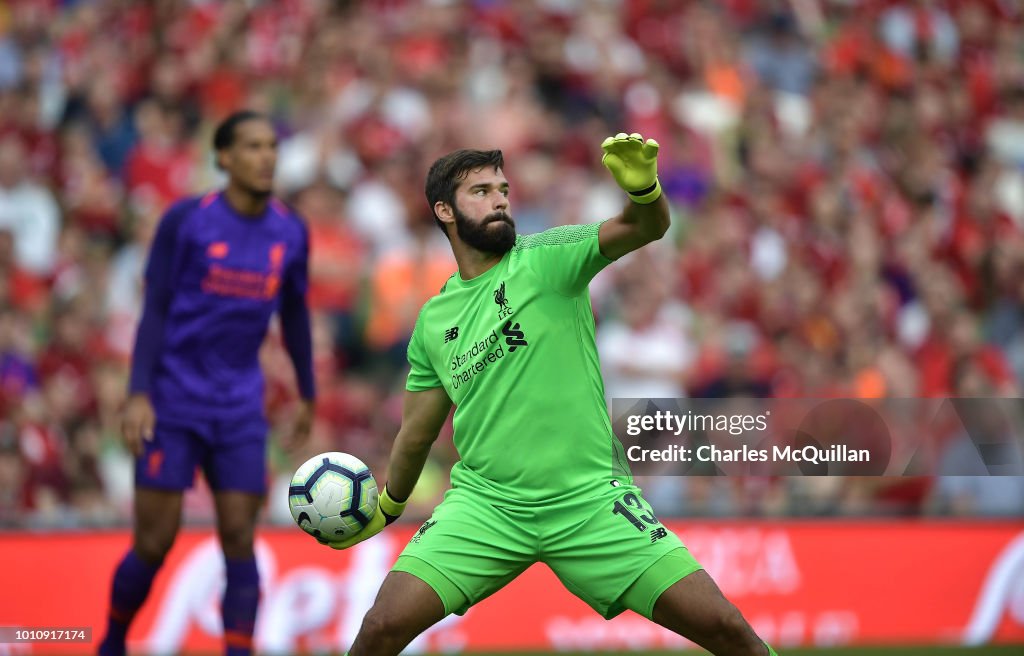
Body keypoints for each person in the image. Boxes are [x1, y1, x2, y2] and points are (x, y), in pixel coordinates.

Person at [325, 133, 778, 655]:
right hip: (485, 507)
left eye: (503, 189)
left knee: (727, 630)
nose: (499, 199)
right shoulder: (433, 320)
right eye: (481, 191)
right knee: (380, 628)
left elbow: (645, 226)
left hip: (589, 502)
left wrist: (645, 191)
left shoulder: (549, 258)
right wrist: (387, 506)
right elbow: (415, 433)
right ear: (444, 210)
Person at [98, 110, 315, 656]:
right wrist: (139, 393)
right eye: (252, 147)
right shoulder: (186, 221)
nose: (266, 157)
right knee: (154, 541)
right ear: (223, 158)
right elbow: (155, 310)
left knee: (241, 538)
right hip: (173, 402)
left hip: (241, 407)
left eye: (272, 147)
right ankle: (113, 641)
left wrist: (308, 394)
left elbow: (295, 317)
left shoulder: (290, 231)